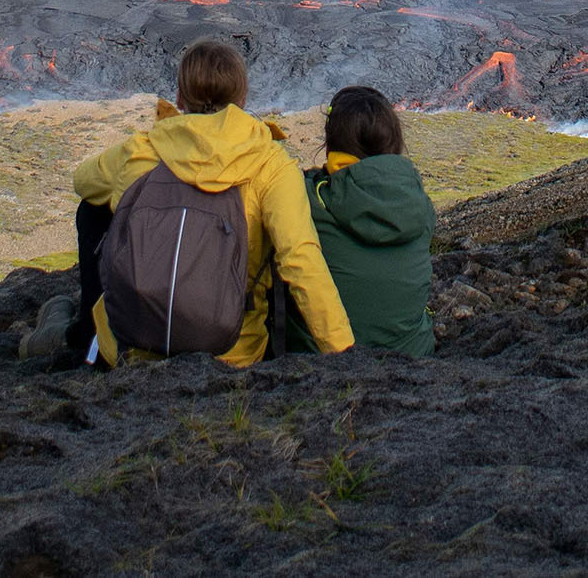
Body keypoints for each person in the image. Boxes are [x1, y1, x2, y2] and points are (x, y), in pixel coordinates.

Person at [24, 39, 354, 367]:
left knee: (93, 209)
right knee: (278, 243)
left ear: (180, 98)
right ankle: (81, 330)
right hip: (232, 353)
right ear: (242, 99)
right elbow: (301, 260)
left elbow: (83, 181)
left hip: (132, 347)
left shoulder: (143, 150)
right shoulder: (270, 164)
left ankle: (86, 332)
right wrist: (345, 356)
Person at [283, 86, 437, 356]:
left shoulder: (308, 200)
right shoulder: (419, 205)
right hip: (413, 356)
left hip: (322, 362)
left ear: (332, 145)